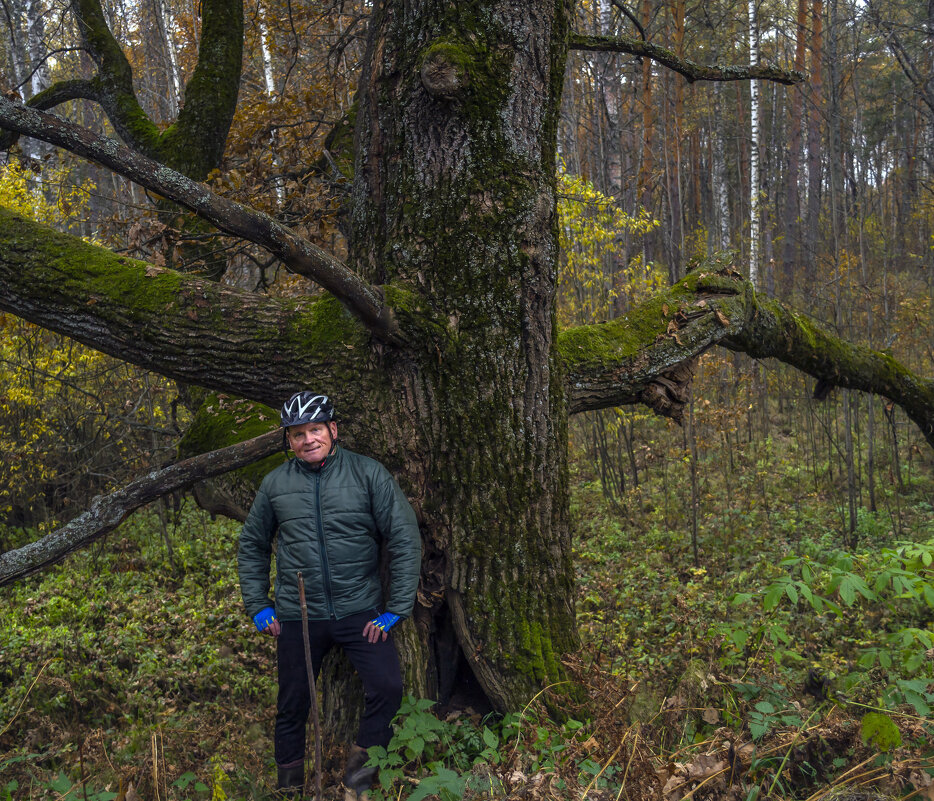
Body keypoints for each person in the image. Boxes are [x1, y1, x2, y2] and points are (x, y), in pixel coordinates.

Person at [238, 391, 422, 798]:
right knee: (291, 706)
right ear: (289, 441)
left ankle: (358, 775)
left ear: (332, 430)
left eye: (315, 429)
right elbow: (252, 545)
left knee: (388, 688)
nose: (308, 440)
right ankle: (290, 788)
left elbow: (405, 538)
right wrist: (259, 606)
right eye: (298, 434)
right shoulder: (275, 485)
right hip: (297, 616)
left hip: (361, 611)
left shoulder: (368, 474)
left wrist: (395, 610)